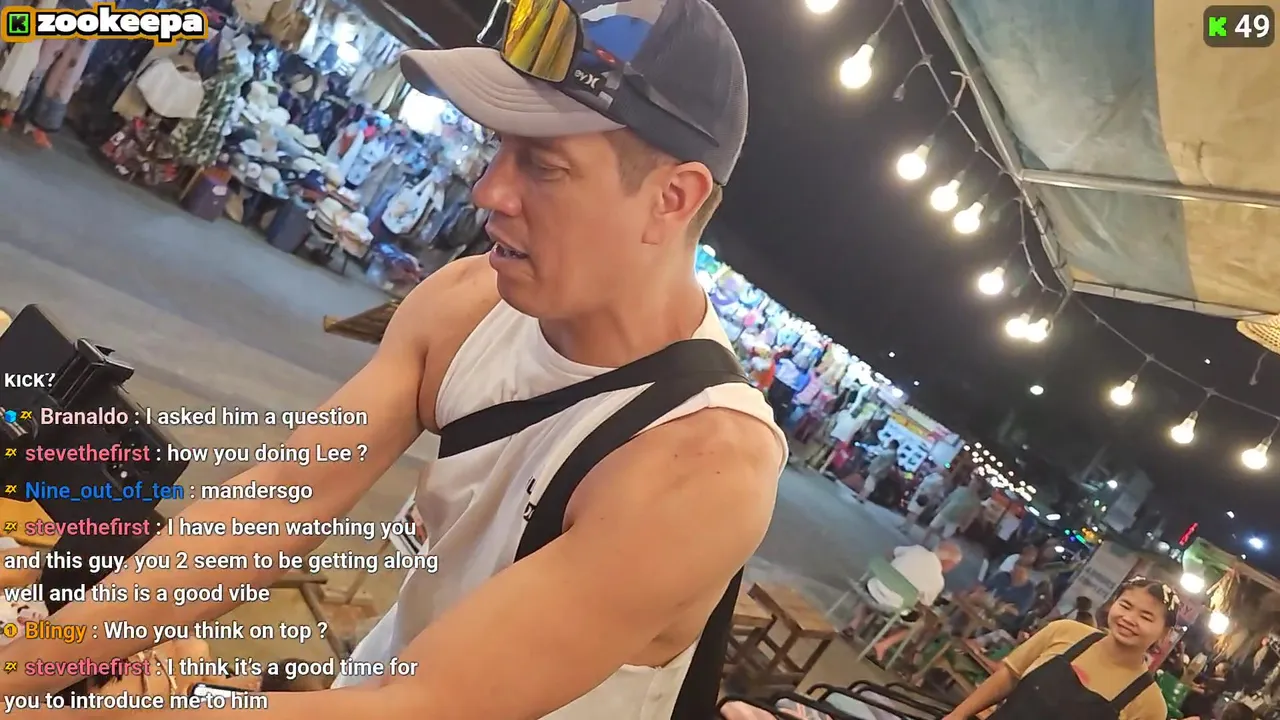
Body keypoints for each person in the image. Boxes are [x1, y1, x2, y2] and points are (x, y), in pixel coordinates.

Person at [0, 1, 788, 718]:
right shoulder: (468, 303)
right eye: (499, 147)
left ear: (672, 199)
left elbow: (427, 705)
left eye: (545, 166)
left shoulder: (703, 466)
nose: (488, 192)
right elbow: (276, 507)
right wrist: (26, 671)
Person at [942, 577, 1178, 720]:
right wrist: (957, 715)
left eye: (1146, 617)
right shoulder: (1064, 632)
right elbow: (1009, 676)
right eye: (1125, 605)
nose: (1129, 618)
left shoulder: (1150, 704)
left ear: (1164, 633)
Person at [841, 542, 963, 658]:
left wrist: (893, 573)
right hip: (893, 609)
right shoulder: (938, 581)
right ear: (949, 563)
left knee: (878, 589)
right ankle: (883, 645)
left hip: (871, 589)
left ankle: (854, 624)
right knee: (918, 621)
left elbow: (891, 552)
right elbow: (924, 605)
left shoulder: (916, 549)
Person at [925, 476, 983, 545]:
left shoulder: (976, 501)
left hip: (956, 520)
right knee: (931, 527)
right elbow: (949, 499)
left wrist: (965, 525)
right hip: (945, 512)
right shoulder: (960, 489)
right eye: (973, 482)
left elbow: (972, 515)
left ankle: (937, 549)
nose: (973, 484)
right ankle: (923, 542)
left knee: (944, 537)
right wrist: (940, 508)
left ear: (979, 487)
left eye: (976, 484)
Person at [902, 464, 948, 528]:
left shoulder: (940, 481)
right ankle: (904, 525)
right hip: (919, 493)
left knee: (915, 513)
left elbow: (938, 492)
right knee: (911, 510)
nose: (940, 469)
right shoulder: (934, 475)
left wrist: (933, 496)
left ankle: (907, 527)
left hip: (925, 496)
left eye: (943, 469)